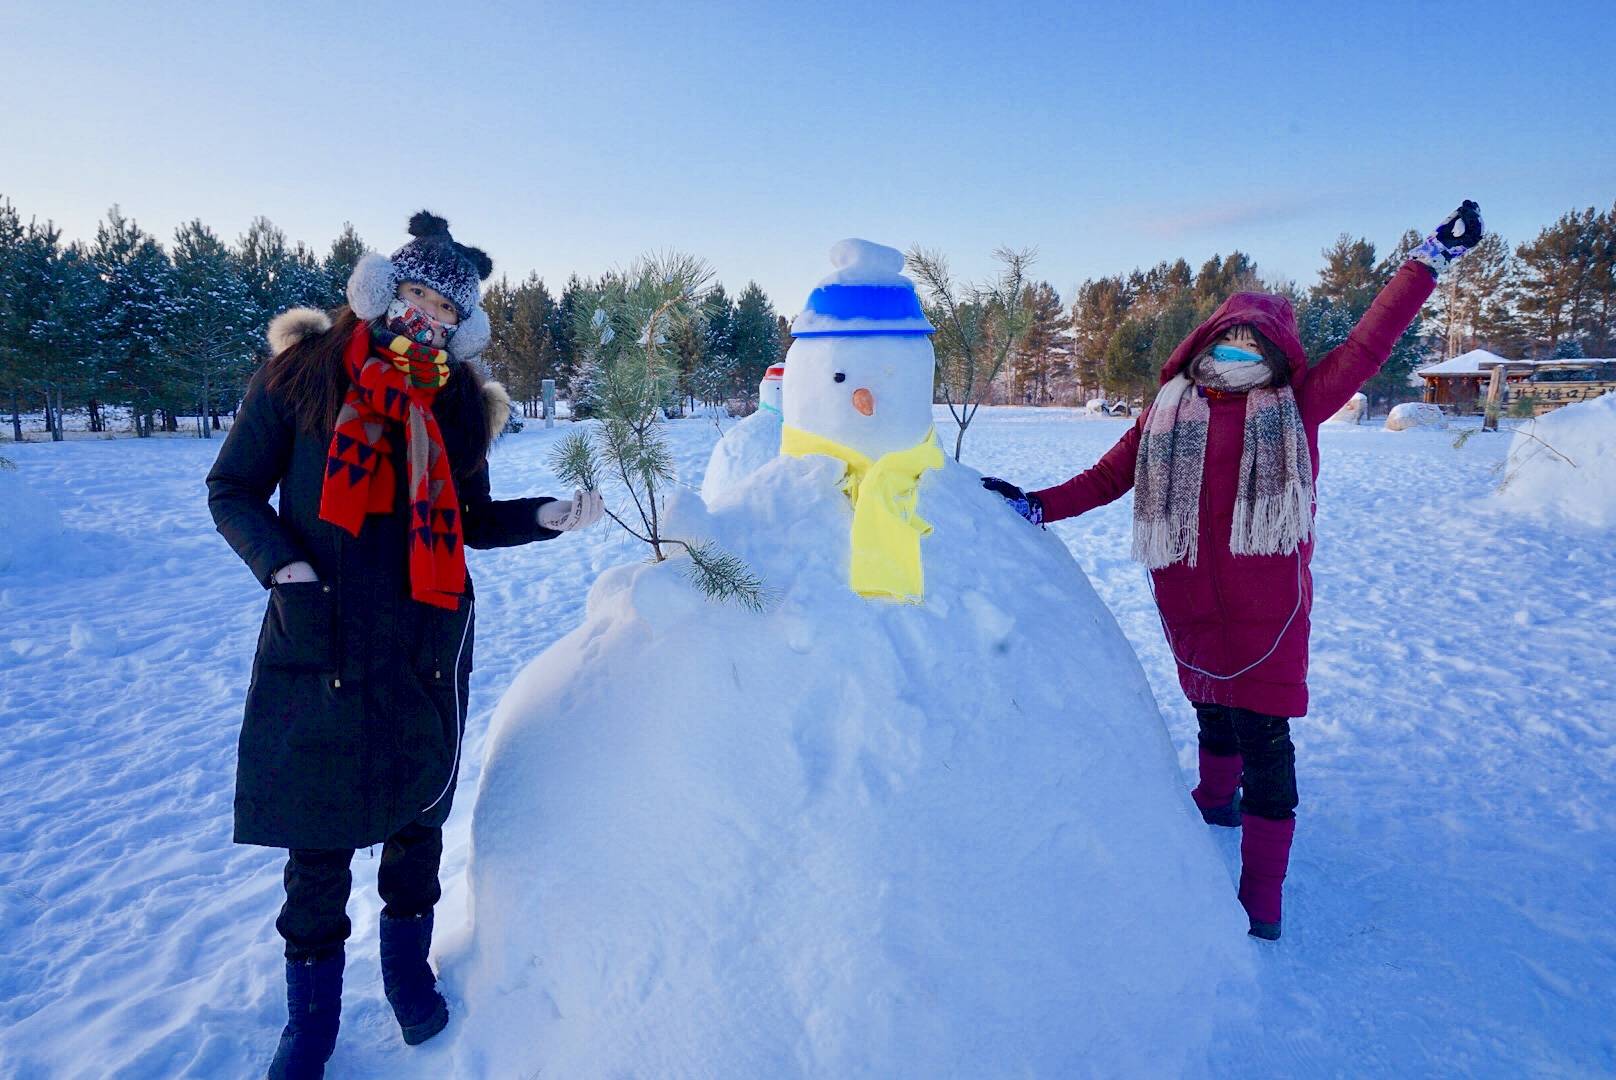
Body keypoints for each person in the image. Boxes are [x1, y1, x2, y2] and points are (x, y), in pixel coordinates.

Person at [983, 201, 1484, 941]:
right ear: (1206, 341)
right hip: (1186, 595)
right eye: (1231, 339)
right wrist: (1034, 506)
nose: (1242, 352)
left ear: (1280, 354)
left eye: (1258, 344)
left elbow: (1368, 344)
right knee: (1209, 706)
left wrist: (1428, 260)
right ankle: (1212, 802)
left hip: (1267, 607)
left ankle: (1263, 894)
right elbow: (1104, 477)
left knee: (1266, 739)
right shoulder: (1165, 412)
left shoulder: (1299, 404)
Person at [207, 212, 604, 1078]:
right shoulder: (303, 372)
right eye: (417, 292)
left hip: (425, 639)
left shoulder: (458, 404)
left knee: (415, 822)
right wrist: (284, 571)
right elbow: (232, 487)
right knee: (319, 842)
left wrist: (542, 517)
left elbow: (463, 520)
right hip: (325, 637)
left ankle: (406, 975)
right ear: (382, 289)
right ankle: (308, 1027)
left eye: (445, 308)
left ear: (463, 327)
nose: (426, 314)